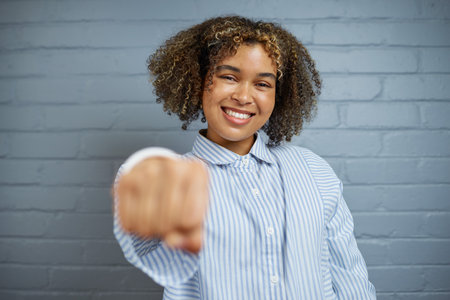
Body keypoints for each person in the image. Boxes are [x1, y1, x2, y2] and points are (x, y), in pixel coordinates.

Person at [113, 16, 376, 299]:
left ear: (279, 95)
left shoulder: (313, 170)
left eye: (263, 84)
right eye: (229, 77)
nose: (243, 96)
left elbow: (350, 277)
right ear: (198, 80)